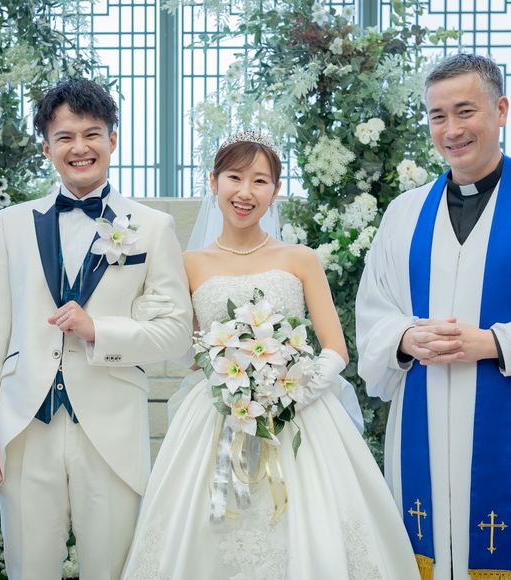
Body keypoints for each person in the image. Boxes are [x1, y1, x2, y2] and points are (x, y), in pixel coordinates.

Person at [122, 131, 419, 579]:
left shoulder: (300, 259)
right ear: (213, 182)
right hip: (218, 416)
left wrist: (294, 392)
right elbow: (190, 352)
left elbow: (336, 347)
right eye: (234, 177)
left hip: (299, 413)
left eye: (260, 181)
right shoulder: (189, 263)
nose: (245, 192)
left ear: (275, 190)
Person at [0, 78, 193, 580]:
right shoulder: (12, 224)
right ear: (46, 147)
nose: (80, 147)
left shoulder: (152, 227)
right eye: (64, 136)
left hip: (111, 426)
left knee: (111, 569)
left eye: (92, 134)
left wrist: (100, 331)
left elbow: (177, 333)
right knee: (29, 568)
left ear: (113, 139)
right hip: (25, 425)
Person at [356, 53, 511, 580]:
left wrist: (494, 343)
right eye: (437, 116)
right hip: (422, 416)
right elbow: (374, 309)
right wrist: (404, 337)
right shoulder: (405, 213)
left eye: (465, 112)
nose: (451, 130)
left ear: (501, 110)